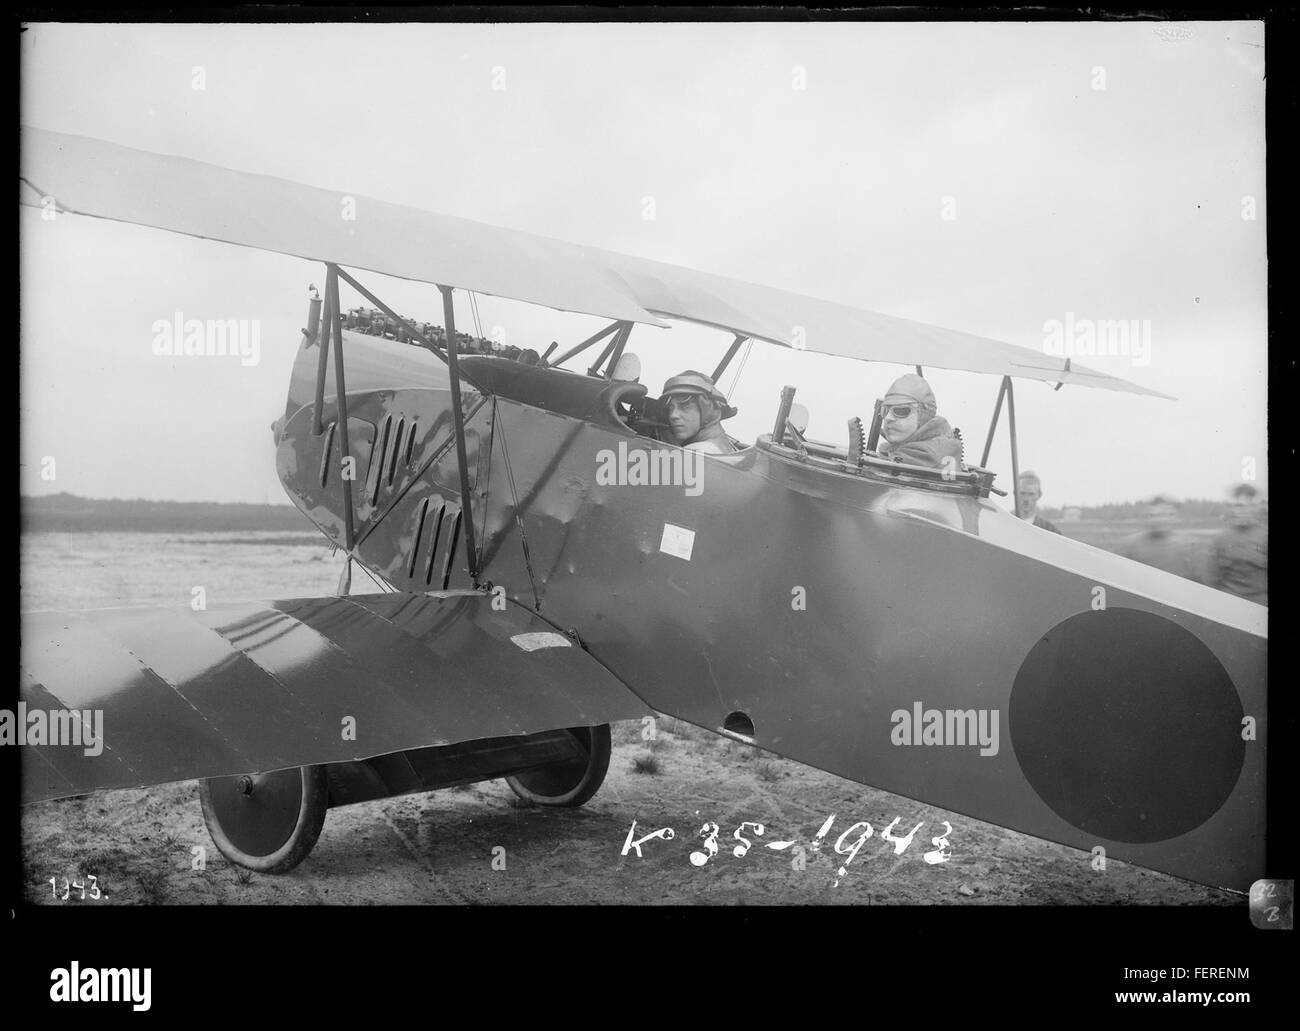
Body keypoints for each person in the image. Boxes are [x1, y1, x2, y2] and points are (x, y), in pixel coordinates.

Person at [876, 373, 963, 469]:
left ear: (924, 416)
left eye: (900, 411)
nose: (888, 418)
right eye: (885, 410)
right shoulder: (902, 450)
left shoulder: (924, 456)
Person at [1204, 483, 1267, 605]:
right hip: (1229, 601)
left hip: (1260, 603)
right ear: (1232, 508)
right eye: (1238, 506)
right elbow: (1211, 577)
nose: (1243, 511)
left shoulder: (1265, 536)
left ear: (1255, 508)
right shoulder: (1221, 539)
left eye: (1248, 506)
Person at [1117, 495, 1203, 582]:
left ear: (1173, 517)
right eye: (1154, 515)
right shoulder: (1132, 546)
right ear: (1148, 517)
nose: (1159, 519)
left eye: (1164, 515)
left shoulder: (1189, 546)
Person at [660, 371, 740, 454]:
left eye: (684, 406)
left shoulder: (695, 452)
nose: (673, 415)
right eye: (670, 408)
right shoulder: (729, 446)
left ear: (707, 410)